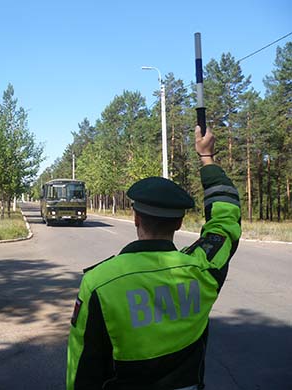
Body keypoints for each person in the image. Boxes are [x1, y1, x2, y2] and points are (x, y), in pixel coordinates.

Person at [67, 126, 241, 390]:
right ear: (180, 223)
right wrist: (207, 158)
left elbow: (83, 368)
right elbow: (225, 221)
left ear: (136, 218)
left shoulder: (100, 283)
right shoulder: (203, 269)